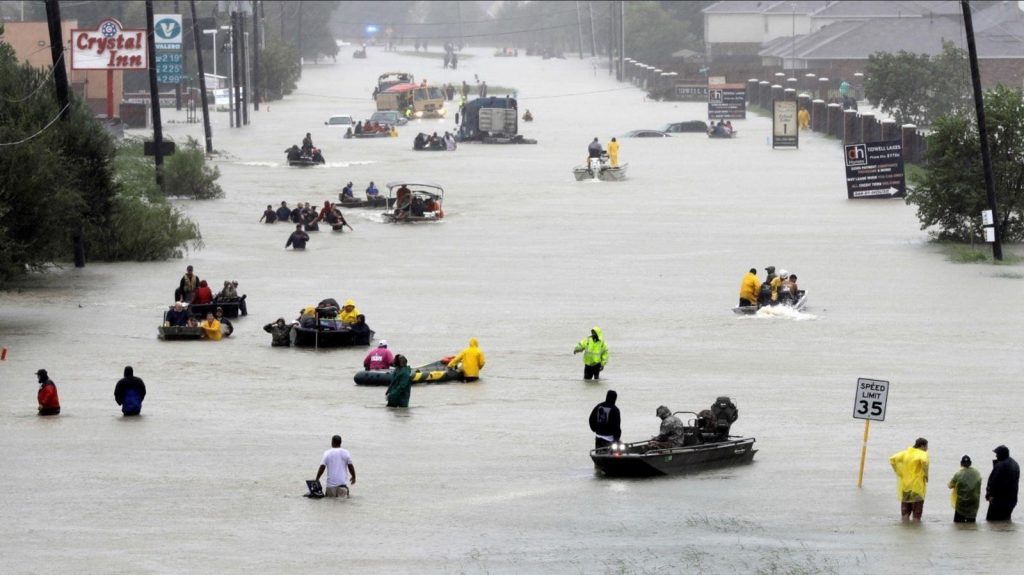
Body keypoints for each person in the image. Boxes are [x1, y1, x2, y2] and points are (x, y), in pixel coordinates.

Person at [890, 438, 930, 521]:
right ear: (922, 446)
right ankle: (915, 531)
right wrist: (926, 475)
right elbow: (924, 462)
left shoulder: (906, 453)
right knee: (917, 513)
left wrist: (899, 472)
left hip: (905, 486)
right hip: (917, 487)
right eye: (926, 446)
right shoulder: (922, 454)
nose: (927, 448)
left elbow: (892, 459)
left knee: (905, 513)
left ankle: (905, 529)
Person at [986, 445, 1020, 521]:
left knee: (991, 521)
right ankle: (1006, 532)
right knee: (1005, 520)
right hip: (1012, 499)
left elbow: (993, 482)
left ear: (1001, 454)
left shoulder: (1000, 465)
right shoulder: (1015, 464)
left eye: (997, 454)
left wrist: (989, 494)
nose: (996, 455)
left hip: (999, 500)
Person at [949, 454, 983, 523]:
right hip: (974, 501)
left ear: (961, 464)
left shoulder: (958, 474)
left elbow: (950, 485)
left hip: (962, 502)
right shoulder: (977, 473)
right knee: (971, 523)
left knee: (958, 523)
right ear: (970, 463)